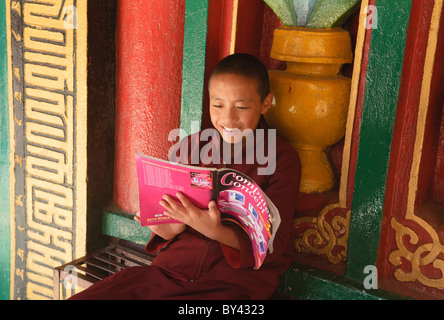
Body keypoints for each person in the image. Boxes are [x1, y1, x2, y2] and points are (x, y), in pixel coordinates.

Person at [69, 53, 301, 300]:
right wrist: (168, 226)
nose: (228, 118)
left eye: (242, 107)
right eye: (218, 105)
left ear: (266, 103)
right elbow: (168, 231)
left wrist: (216, 231)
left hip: (232, 286)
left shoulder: (280, 159)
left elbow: (274, 244)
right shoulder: (192, 147)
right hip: (170, 272)